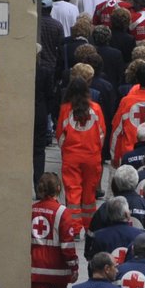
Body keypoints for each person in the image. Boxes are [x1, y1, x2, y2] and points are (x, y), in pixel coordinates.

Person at [30, 172, 81, 288]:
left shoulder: (31, 210)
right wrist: (74, 267)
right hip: (59, 271)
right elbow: (67, 246)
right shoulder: (62, 212)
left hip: (36, 270)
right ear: (58, 188)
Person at [56, 77, 107, 226]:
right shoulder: (96, 109)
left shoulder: (65, 109)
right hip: (92, 156)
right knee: (89, 194)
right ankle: (89, 224)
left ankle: (74, 227)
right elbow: (102, 133)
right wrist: (95, 150)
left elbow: (60, 135)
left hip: (72, 157)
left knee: (73, 191)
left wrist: (66, 150)